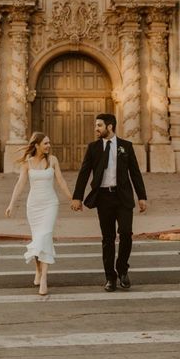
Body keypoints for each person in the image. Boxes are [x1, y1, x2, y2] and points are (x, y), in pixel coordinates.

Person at [71, 113, 147, 292]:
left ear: (110, 126)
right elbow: (84, 173)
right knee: (108, 239)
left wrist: (142, 197)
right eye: (96, 125)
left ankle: (122, 270)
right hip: (104, 197)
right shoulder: (93, 148)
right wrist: (77, 197)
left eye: (99, 125)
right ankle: (110, 277)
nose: (96, 129)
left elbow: (135, 172)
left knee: (126, 233)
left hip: (123, 197)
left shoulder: (126, 146)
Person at [5, 132, 72, 295]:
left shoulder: (53, 160)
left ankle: (44, 279)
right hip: (34, 206)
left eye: (49, 143)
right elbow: (20, 184)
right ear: (36, 145)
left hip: (50, 204)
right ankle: (38, 269)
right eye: (46, 143)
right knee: (37, 240)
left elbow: (61, 181)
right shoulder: (27, 163)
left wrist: (72, 198)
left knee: (45, 236)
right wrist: (11, 204)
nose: (49, 146)